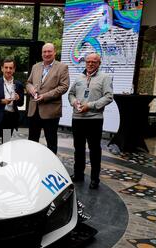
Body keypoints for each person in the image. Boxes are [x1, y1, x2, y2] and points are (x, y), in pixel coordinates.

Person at [68, 52, 113, 189]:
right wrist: (75, 102)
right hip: (78, 118)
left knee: (94, 150)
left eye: (94, 61)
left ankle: (95, 179)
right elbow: (71, 94)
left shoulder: (105, 78)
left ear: (99, 63)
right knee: (79, 149)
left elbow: (109, 97)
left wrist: (90, 106)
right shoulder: (79, 77)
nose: (90, 64)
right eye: (88, 61)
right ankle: (78, 174)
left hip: (94, 119)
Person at [26, 43, 69, 154]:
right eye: (44, 52)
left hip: (51, 111)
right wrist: (31, 89)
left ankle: (51, 167)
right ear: (41, 53)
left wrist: (45, 96)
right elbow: (29, 83)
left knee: (51, 142)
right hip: (34, 109)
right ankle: (32, 164)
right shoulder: (36, 67)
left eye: (49, 51)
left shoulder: (62, 67)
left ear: (54, 52)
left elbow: (64, 87)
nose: (47, 54)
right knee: (32, 141)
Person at [0, 58, 24, 147]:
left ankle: (4, 161)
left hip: (10, 119)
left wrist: (18, 98)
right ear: (2, 68)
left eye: (10, 68)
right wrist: (1, 101)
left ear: (14, 69)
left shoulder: (18, 84)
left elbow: (21, 103)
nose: (8, 70)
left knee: (6, 146)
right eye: (6, 67)